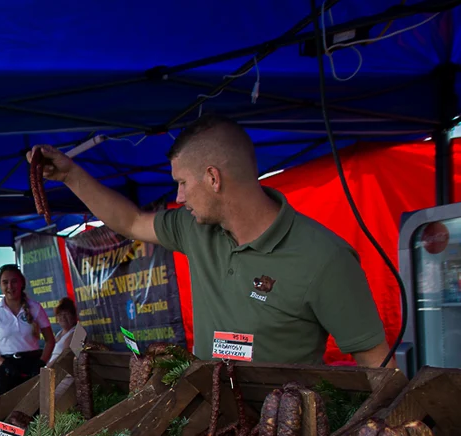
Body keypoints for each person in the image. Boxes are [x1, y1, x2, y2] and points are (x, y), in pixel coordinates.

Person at [29, 115, 389, 366]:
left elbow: (376, 364)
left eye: (183, 183)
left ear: (213, 178)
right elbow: (132, 221)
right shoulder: (195, 229)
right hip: (209, 430)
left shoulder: (323, 258)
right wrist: (71, 175)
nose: (179, 197)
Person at [0, 264, 56, 393]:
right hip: (7, 368)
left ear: (22, 283)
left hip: (32, 365)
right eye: (5, 282)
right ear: (0, 286)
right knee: (10, 410)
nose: (10, 286)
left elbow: (50, 340)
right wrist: (3, 363)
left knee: (35, 409)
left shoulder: (35, 307)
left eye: (14, 281)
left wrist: (41, 363)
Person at [47, 296, 87, 367]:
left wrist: (48, 368)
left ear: (74, 316)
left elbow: (66, 358)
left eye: (66, 314)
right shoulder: (59, 333)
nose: (63, 317)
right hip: (52, 372)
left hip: (66, 374)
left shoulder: (80, 333)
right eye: (60, 315)